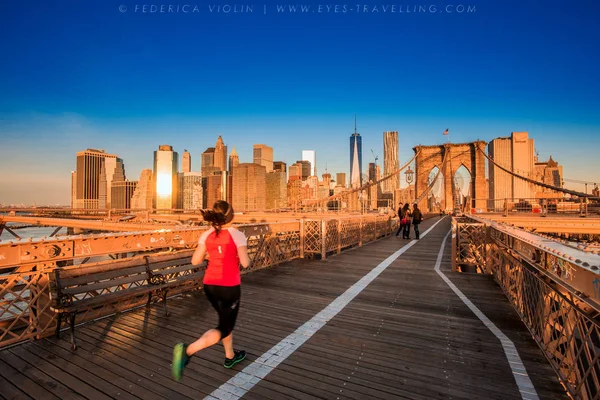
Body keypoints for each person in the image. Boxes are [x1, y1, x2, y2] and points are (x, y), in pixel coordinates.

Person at [172, 200, 250, 381]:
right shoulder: (237, 235)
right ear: (231, 216)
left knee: (225, 320)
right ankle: (187, 351)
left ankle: (230, 356)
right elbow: (245, 263)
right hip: (229, 287)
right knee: (224, 327)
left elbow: (195, 261)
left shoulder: (206, 234)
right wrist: (239, 256)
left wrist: (211, 254)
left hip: (210, 286)